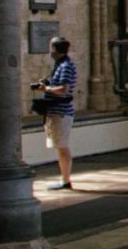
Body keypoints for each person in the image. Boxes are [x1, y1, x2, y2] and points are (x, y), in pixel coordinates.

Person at [34, 36, 79, 189]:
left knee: (62, 146)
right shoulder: (60, 65)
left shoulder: (65, 66)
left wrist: (45, 89)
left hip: (61, 112)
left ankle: (66, 180)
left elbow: (64, 90)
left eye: (51, 47)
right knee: (60, 146)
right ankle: (64, 179)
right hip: (56, 111)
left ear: (54, 49)